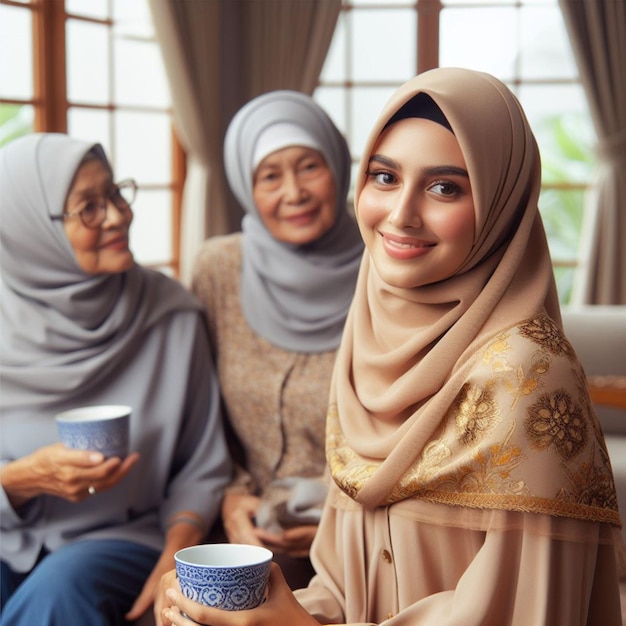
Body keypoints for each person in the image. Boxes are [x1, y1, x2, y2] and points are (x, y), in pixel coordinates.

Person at [156, 67, 624, 625]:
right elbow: (343, 589)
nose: (401, 215)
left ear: (501, 203)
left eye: (445, 186)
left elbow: (526, 614)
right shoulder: (369, 334)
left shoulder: (529, 372)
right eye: (384, 177)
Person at [0, 133, 232, 625]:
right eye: (88, 207)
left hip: (124, 537)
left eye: (115, 193)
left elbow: (201, 465)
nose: (116, 215)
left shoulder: (170, 315)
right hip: (8, 536)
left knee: (60, 591)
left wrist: (179, 550)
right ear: (27, 231)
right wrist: (21, 479)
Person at [190, 90, 364, 590]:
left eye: (309, 166)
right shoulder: (219, 268)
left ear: (337, 165)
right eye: (270, 176)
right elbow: (200, 412)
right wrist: (230, 494)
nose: (294, 192)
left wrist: (339, 513)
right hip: (241, 524)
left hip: (362, 526)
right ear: (246, 186)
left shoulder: (387, 269)